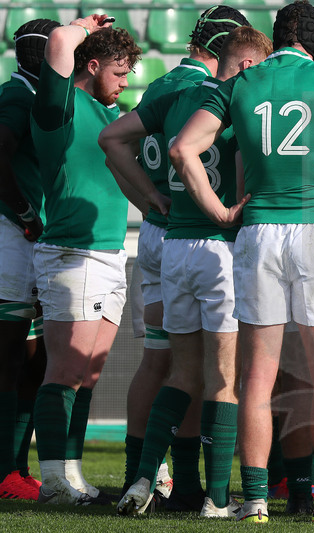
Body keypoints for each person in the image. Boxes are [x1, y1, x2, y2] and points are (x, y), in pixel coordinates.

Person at [169, 0, 314, 523]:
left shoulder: (241, 82)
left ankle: (253, 500)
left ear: (275, 38)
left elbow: (186, 148)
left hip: (258, 232)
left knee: (256, 377)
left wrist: (219, 209)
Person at [102, 26, 272, 517]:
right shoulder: (238, 104)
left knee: (181, 372)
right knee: (223, 379)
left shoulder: (177, 96)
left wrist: (150, 197)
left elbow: (110, 138)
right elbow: (243, 176)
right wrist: (225, 210)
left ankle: (141, 481)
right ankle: (217, 500)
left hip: (174, 244)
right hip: (220, 246)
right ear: (244, 67)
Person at [30, 15, 141, 505]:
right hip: (71, 252)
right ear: (91, 65)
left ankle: (71, 474)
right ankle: (52, 480)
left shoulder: (111, 117)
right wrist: (82, 25)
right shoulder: (61, 105)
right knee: (65, 369)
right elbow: (59, 41)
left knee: (88, 373)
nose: (124, 83)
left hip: (109, 254)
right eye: (118, 73)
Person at [0, 17, 60, 501]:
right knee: (11, 355)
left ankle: (16, 469)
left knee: (32, 361)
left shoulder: (35, 93)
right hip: (11, 236)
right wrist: (22, 210)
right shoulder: (17, 95)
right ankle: (6, 470)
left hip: (30, 236)